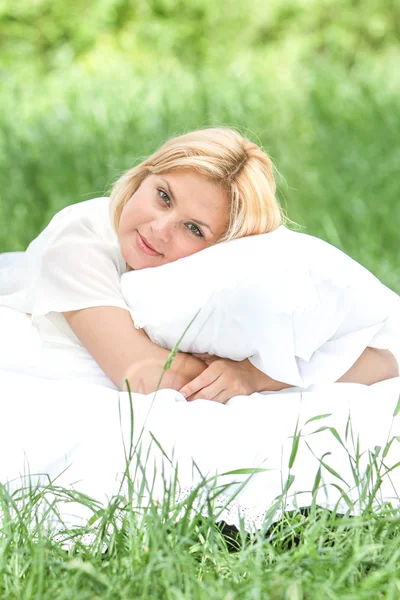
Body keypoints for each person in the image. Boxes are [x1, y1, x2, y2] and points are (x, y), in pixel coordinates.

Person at [0, 127, 398, 399]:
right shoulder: (78, 239)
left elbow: (382, 362)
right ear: (142, 177)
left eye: (194, 228)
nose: (159, 229)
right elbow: (138, 372)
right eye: (163, 196)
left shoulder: (213, 287)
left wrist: (253, 376)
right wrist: (253, 370)